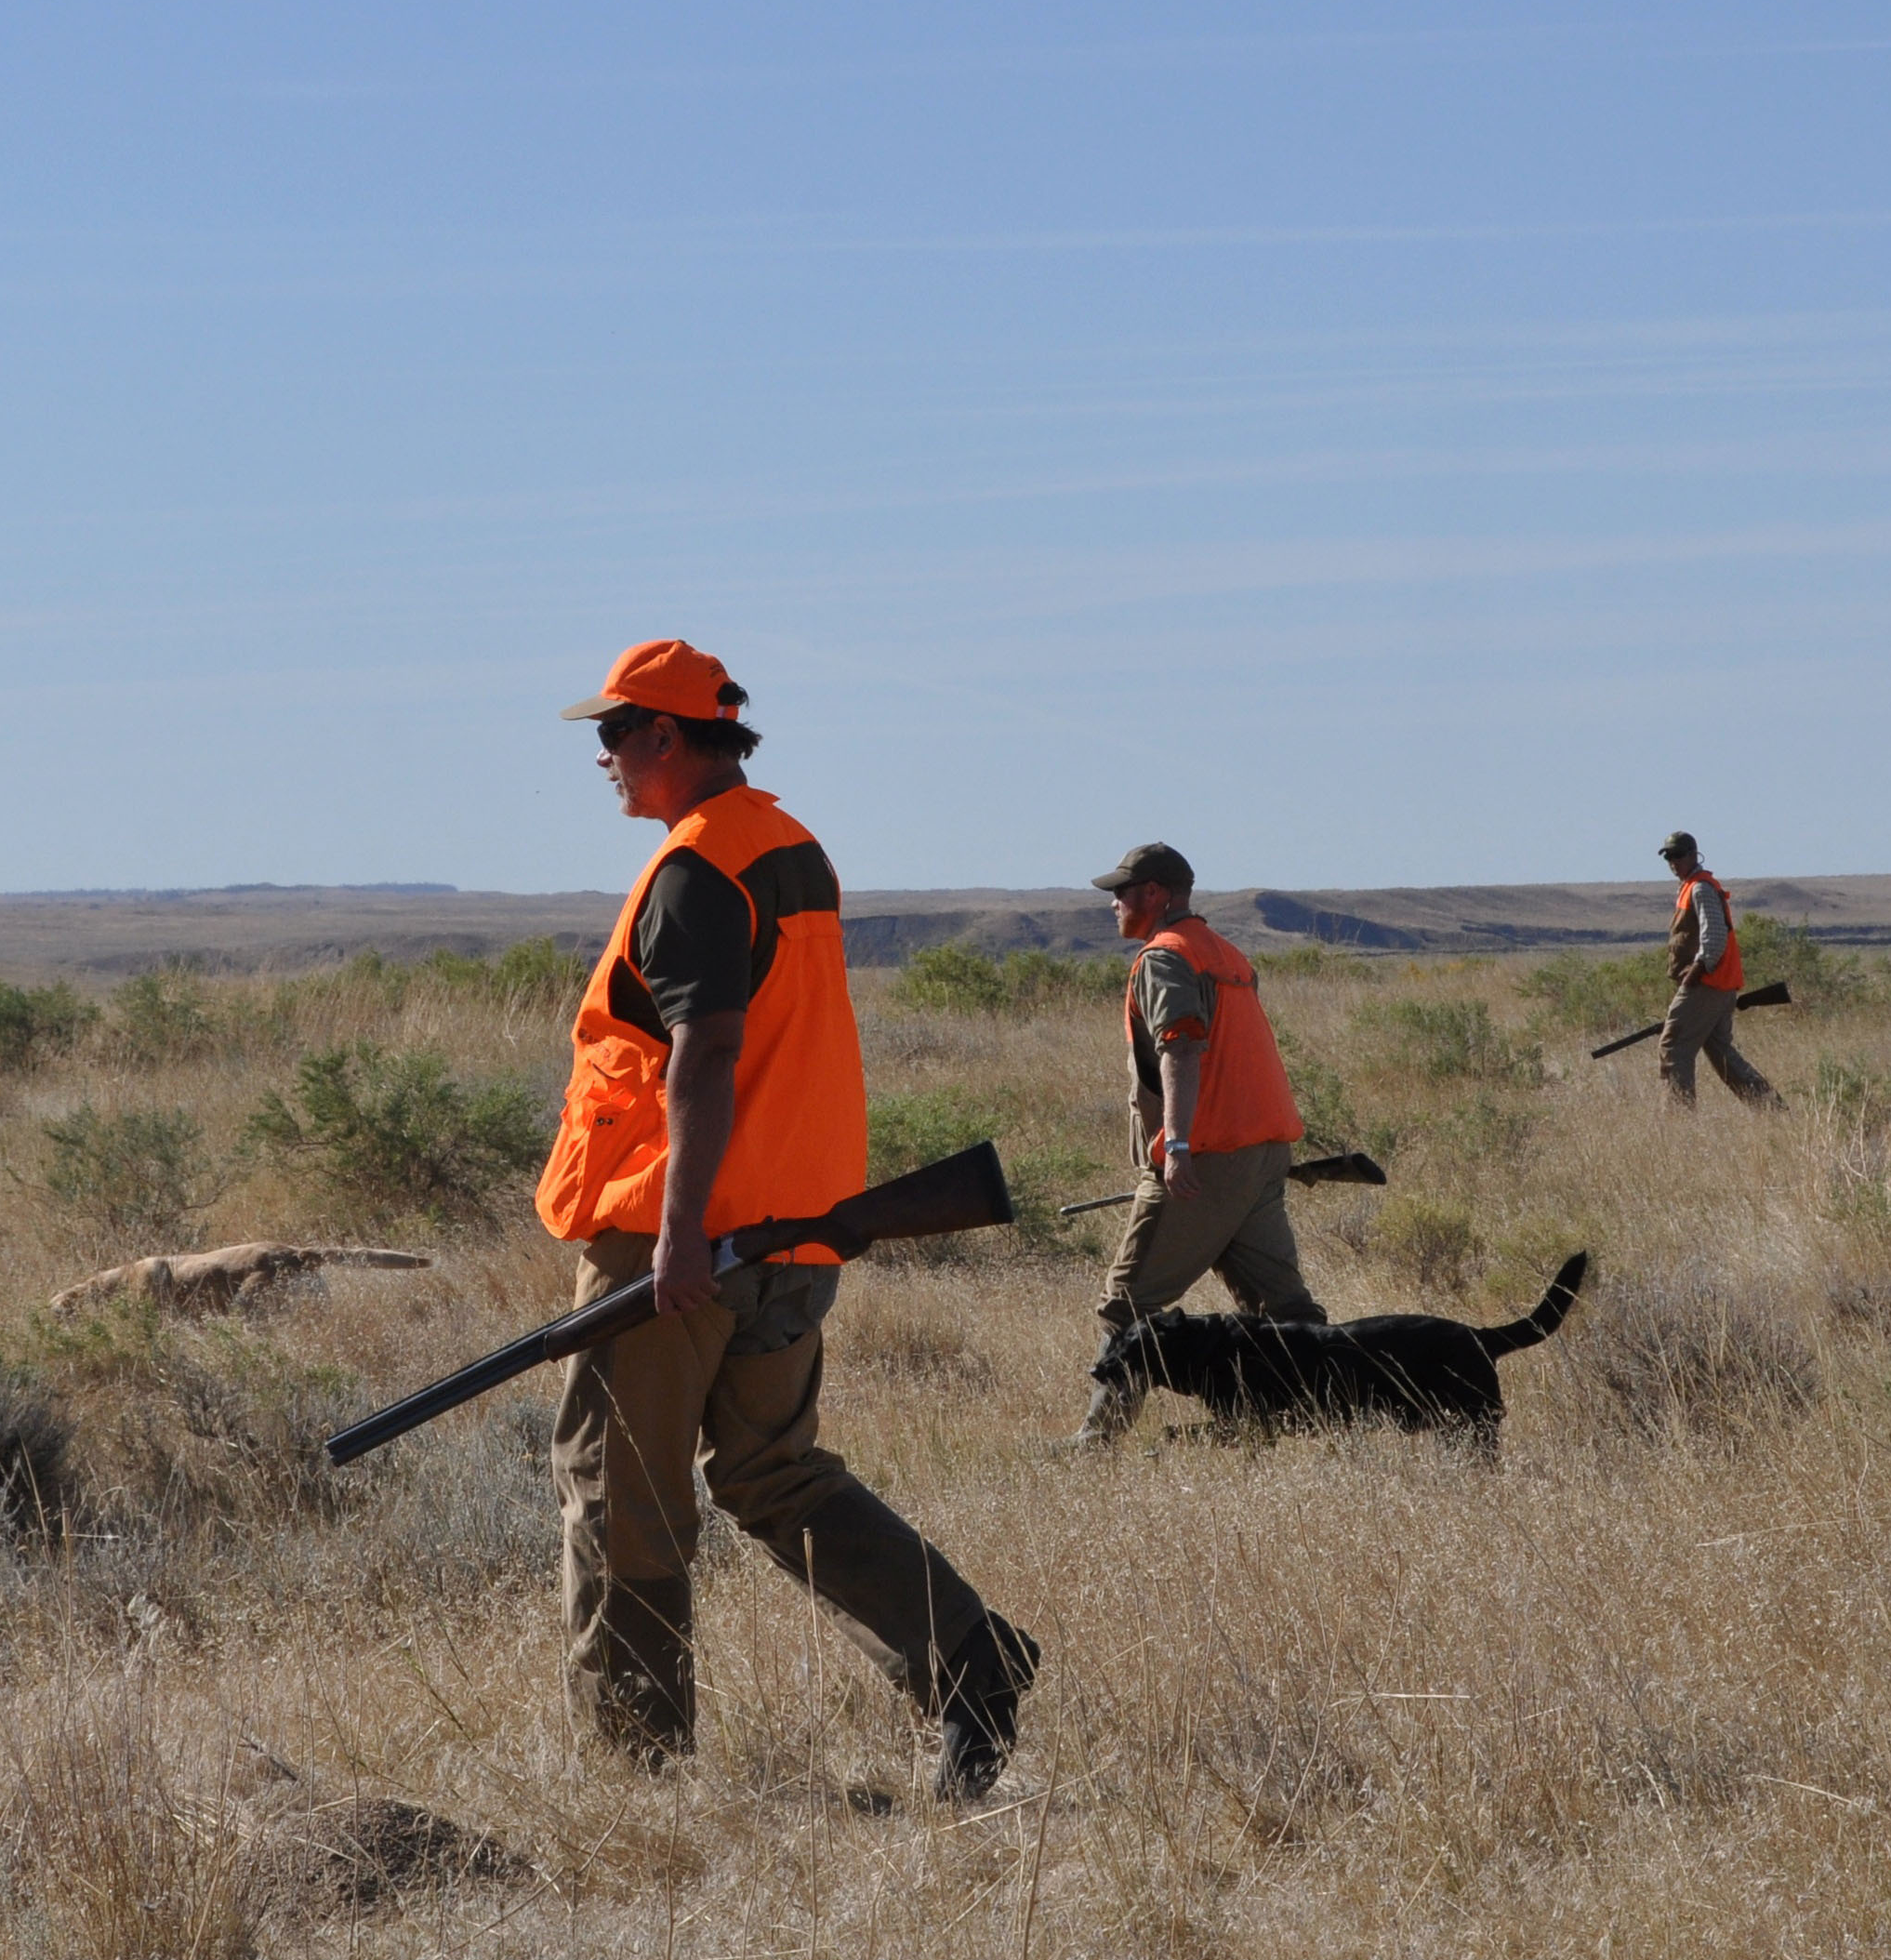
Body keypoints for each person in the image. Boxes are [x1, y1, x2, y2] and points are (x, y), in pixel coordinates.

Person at [539, 639, 1037, 1799]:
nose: (602, 757)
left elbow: (708, 1051)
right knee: (775, 1475)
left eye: (613, 734)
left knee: (622, 1504)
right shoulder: (790, 848)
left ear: (668, 735)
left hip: (684, 1240)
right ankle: (967, 1653)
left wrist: (671, 1238)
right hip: (791, 1231)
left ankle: (636, 1778)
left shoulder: (695, 869)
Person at [1065, 842, 1325, 1447]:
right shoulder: (1226, 954)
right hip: (1261, 1151)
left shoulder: (1165, 956)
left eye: (1122, 891)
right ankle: (1317, 1410)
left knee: (1127, 1306)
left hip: (1204, 1158)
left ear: (1154, 893)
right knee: (1284, 1310)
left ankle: (1096, 1443)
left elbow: (1182, 1044)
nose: (1113, 903)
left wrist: (1176, 1144)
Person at [1656, 831, 1779, 1108]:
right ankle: (1772, 1109)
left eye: (1677, 856)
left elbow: (1714, 938)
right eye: (1668, 858)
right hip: (1718, 985)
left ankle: (1678, 1122)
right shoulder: (1693, 887)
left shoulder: (1700, 889)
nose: (1673, 862)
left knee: (1673, 1048)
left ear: (1692, 855)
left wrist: (1694, 974)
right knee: (1722, 1054)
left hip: (1706, 984)